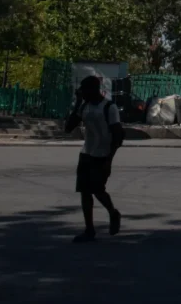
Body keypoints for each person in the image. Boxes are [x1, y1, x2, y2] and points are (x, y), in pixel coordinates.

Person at [64, 76, 124, 243]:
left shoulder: (109, 108)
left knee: (98, 190)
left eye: (84, 90)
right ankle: (89, 229)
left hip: (103, 155)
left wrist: (109, 161)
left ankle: (113, 213)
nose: (82, 93)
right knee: (84, 192)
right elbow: (68, 128)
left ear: (93, 89)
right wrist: (77, 103)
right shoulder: (85, 106)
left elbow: (118, 136)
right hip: (86, 153)